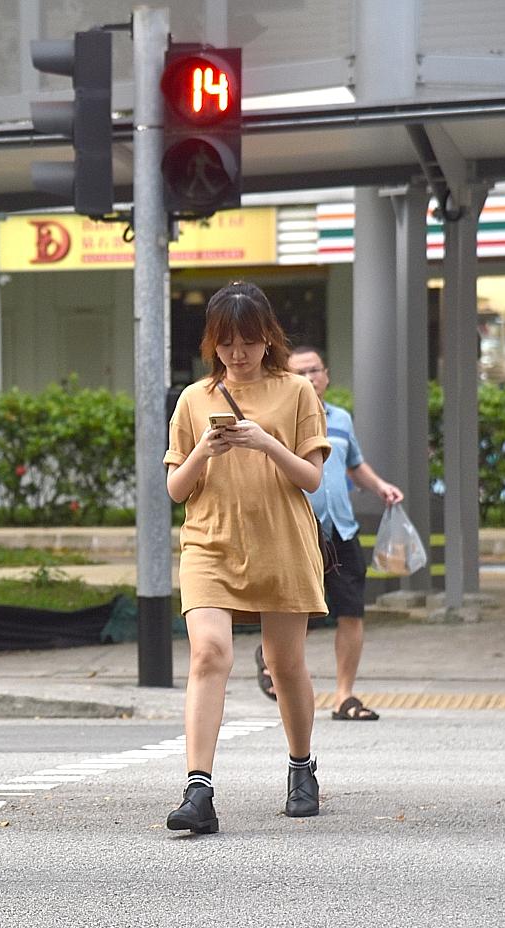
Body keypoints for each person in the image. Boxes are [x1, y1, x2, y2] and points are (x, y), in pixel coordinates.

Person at [163, 281, 329, 835]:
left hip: (280, 541)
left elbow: (310, 477)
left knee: (284, 666)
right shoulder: (194, 399)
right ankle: (198, 788)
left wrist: (265, 442)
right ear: (213, 342)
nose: (238, 354)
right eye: (227, 343)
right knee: (209, 654)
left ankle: (302, 767)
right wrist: (204, 452)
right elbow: (176, 489)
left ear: (268, 340)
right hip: (211, 541)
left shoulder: (297, 392)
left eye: (250, 342)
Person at [254, 346, 403, 722]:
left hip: (341, 529)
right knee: (294, 612)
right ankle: (271, 658)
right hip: (297, 531)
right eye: (299, 372)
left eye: (314, 370)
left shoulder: (341, 419)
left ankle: (344, 696)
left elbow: (355, 465)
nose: (308, 378)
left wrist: (381, 486)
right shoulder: (280, 420)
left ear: (326, 374)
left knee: (351, 611)